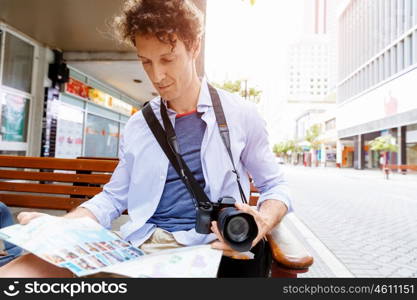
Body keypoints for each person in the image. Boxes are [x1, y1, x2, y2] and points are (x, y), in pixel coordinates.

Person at [0, 0, 291, 277]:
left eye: (167, 59)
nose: (157, 75)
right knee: (19, 271)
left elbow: (275, 186)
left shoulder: (240, 114)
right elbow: (113, 198)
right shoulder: (139, 124)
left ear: (194, 48)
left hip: (207, 250)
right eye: (146, 62)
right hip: (138, 248)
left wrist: (262, 222)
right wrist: (61, 229)